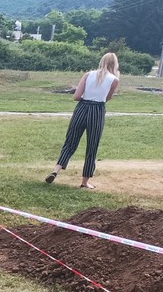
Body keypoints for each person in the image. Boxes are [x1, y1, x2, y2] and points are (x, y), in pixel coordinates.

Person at [45, 52, 120, 190]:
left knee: (70, 142)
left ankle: (56, 170)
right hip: (97, 111)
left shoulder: (88, 75)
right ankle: (85, 181)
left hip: (82, 108)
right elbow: (108, 98)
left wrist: (87, 97)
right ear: (114, 64)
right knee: (92, 146)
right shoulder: (114, 80)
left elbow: (76, 96)